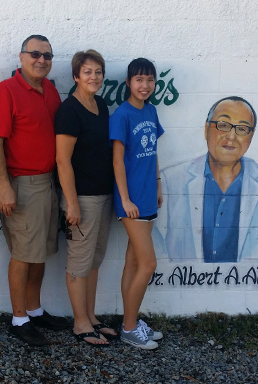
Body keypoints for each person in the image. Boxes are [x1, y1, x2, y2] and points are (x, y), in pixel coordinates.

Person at [0, 35, 67, 346]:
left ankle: (34, 310)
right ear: (21, 57)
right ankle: (18, 319)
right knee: (23, 254)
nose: (41, 60)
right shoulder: (7, 91)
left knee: (40, 253)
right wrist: (4, 186)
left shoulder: (50, 91)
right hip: (21, 184)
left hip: (48, 183)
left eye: (47, 55)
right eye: (35, 54)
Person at [153, 96, 258, 262]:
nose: (231, 136)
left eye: (242, 129)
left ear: (251, 135)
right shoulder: (170, 180)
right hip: (187, 283)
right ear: (206, 129)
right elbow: (156, 248)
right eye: (223, 125)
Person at [55, 50, 115, 346]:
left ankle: (90, 316)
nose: (94, 77)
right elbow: (62, 161)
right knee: (79, 262)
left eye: (98, 72)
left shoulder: (101, 105)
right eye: (87, 72)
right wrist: (73, 203)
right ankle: (80, 324)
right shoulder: (70, 110)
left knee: (94, 261)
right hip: (82, 199)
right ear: (76, 76)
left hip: (103, 195)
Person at [109, 58, 165, 350]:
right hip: (130, 201)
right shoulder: (122, 115)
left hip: (147, 196)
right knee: (148, 263)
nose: (145, 86)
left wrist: (157, 184)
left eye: (150, 80)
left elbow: (153, 151)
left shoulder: (152, 111)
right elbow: (117, 159)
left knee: (133, 262)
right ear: (129, 83)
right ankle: (130, 328)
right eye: (139, 80)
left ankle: (129, 321)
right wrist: (125, 199)